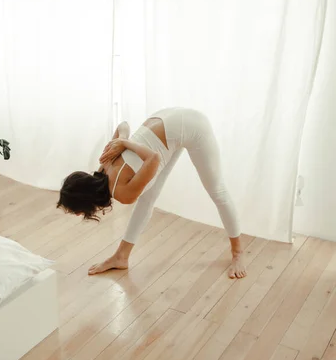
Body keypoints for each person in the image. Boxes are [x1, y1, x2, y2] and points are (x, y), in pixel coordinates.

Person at [57, 107, 246, 279]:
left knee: (217, 191)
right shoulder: (104, 166)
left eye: (77, 211)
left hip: (192, 126)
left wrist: (123, 142)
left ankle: (238, 253)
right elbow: (124, 125)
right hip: (166, 119)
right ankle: (121, 257)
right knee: (147, 198)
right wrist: (122, 141)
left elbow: (154, 158)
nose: (80, 214)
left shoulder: (123, 193)